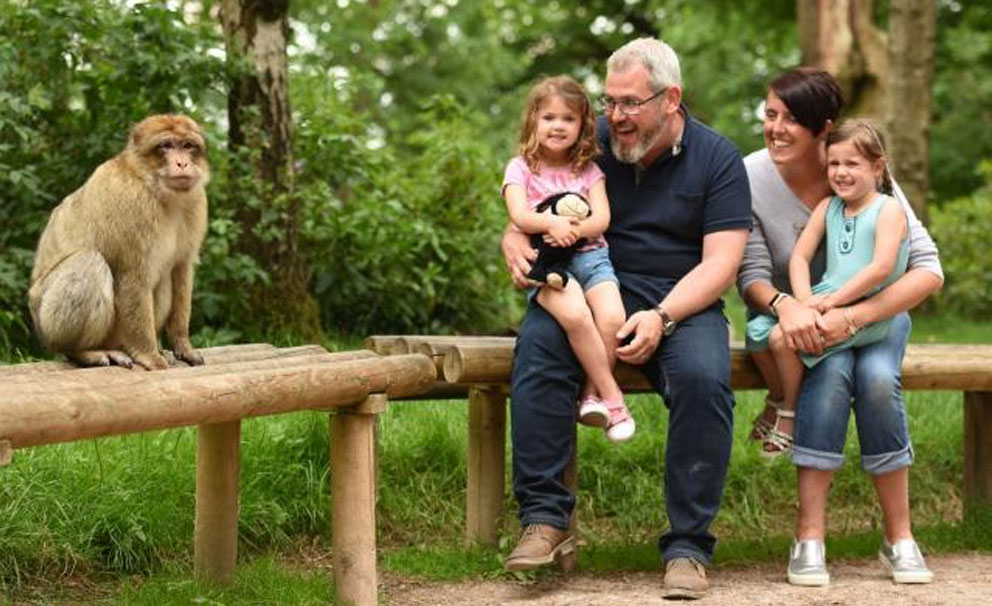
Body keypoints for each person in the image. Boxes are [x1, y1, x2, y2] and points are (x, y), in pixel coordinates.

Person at [501, 38, 751, 600]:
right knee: (539, 346)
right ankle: (544, 520)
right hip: (587, 287)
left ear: (671, 99)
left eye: (631, 103)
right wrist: (512, 237)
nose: (616, 117)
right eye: (610, 101)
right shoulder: (593, 144)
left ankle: (687, 546)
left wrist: (662, 316)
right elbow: (533, 197)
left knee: (704, 379)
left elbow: (722, 264)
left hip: (681, 301)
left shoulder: (718, 158)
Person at [737, 67, 943, 587]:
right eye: (770, 115)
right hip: (806, 322)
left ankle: (901, 539)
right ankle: (809, 538)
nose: (775, 129)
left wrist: (852, 315)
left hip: (875, 317)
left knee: (875, 382)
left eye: (791, 120)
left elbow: (927, 270)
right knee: (829, 383)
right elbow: (752, 273)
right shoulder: (751, 178)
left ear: (822, 127)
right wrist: (798, 308)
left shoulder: (874, 183)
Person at [746, 118, 910, 459]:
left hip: (865, 306)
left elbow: (880, 269)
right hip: (824, 297)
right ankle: (777, 399)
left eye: (852, 164)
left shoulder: (889, 210)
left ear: (878, 167)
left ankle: (788, 416)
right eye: (834, 163)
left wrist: (833, 302)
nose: (840, 172)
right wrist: (804, 300)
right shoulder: (829, 207)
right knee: (758, 331)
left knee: (781, 339)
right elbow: (799, 258)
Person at [502, 75, 633, 441]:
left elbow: (602, 219)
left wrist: (573, 230)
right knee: (576, 315)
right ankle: (615, 399)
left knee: (612, 318)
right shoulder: (521, 168)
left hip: (593, 258)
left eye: (568, 119)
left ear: (583, 126)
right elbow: (519, 216)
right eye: (549, 118)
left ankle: (590, 397)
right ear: (533, 121)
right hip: (549, 264)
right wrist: (551, 223)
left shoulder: (589, 170)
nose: (558, 125)